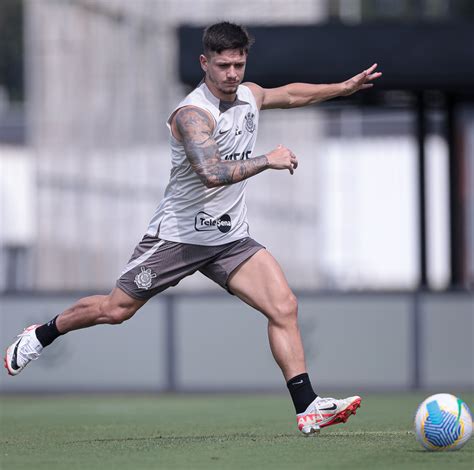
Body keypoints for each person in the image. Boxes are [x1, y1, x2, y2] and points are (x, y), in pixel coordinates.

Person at [5, 22, 381, 435]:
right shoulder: (191, 115)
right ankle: (42, 332)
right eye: (223, 65)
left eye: (239, 64)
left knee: (284, 306)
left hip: (229, 239)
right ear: (205, 63)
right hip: (178, 238)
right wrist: (266, 160)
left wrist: (341, 89)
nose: (232, 73)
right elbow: (210, 172)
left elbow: (288, 94)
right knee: (115, 311)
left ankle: (307, 406)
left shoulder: (249, 96)